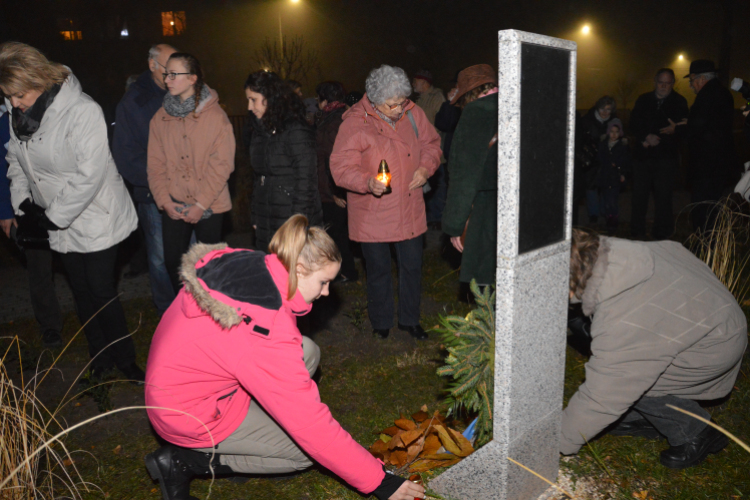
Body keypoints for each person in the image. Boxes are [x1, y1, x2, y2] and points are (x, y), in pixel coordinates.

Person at [144, 215, 426, 500]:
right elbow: (311, 426)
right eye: (324, 282)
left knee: (307, 352)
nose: (327, 292)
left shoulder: (251, 266)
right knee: (301, 453)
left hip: (178, 381)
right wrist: (379, 482)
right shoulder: (263, 330)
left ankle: (245, 435)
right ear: (300, 269)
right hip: (190, 413)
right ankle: (181, 462)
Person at [1, 42, 143, 381]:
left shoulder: (82, 110)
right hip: (55, 218)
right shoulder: (17, 114)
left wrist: (50, 218)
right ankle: (100, 358)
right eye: (8, 96)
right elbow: (16, 162)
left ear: (36, 78)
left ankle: (126, 360)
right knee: (79, 289)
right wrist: (24, 207)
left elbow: (89, 175)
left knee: (100, 289)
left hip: (96, 214)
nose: (13, 103)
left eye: (18, 94)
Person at [561, 228, 746, 469]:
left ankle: (696, 431)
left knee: (627, 383)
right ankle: (646, 419)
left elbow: (605, 392)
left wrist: (557, 439)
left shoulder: (626, 318)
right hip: (712, 317)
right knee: (622, 366)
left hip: (711, 347)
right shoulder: (618, 253)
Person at [330, 65, 442, 340]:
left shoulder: (413, 113)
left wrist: (426, 168)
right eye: (391, 105)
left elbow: (432, 145)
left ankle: (410, 320)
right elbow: (341, 167)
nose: (397, 109)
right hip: (373, 213)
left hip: (408, 207)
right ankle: (381, 323)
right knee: (378, 270)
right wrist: (367, 182)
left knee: (412, 267)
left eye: (401, 102)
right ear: (375, 100)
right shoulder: (355, 122)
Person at [147, 52, 235, 293]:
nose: (168, 80)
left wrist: (201, 204)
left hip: (210, 204)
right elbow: (154, 165)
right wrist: (164, 201)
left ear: (193, 78)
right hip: (174, 203)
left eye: (174, 74)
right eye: (167, 74)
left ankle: (211, 319)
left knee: (209, 269)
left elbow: (222, 165)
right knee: (173, 265)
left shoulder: (216, 118)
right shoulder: (159, 119)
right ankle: (184, 317)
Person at [112, 44, 177, 314]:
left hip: (192, 193)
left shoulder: (185, 93)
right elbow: (126, 155)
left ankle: (198, 314)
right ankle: (168, 313)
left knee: (196, 254)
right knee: (160, 259)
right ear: (152, 66)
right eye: (168, 70)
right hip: (153, 197)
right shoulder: (134, 102)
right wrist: (160, 183)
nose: (174, 76)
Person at [1, 101, 64, 348]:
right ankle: (50, 327)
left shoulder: (50, 110)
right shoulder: (5, 121)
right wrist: (5, 210)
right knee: (38, 269)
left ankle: (92, 317)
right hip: (25, 207)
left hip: (61, 200)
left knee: (76, 264)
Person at [245, 70, 323, 251]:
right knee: (271, 275)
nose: (249, 107)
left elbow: (306, 181)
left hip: (291, 220)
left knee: (295, 276)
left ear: (270, 98)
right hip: (267, 219)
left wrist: (297, 223)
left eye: (253, 99)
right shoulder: (259, 132)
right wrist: (256, 217)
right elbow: (259, 178)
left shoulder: (295, 130)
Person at [441, 64, 498, 287]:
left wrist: (455, 225)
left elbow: (464, 176)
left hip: (486, 211)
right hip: (519, 209)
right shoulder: (517, 107)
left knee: (488, 282)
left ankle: (489, 322)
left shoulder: (476, 113)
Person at [629, 68, 689, 239]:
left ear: (673, 83)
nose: (663, 86)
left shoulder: (679, 102)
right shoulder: (643, 99)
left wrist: (671, 133)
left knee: (664, 198)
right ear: (655, 82)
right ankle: (637, 233)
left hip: (665, 158)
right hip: (642, 157)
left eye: (667, 83)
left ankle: (662, 234)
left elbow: (683, 131)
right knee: (639, 197)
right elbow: (633, 122)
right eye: (661, 82)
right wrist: (645, 137)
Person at [684, 59, 738, 234]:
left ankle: (703, 247)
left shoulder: (706, 97)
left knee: (703, 211)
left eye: (692, 81)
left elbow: (699, 128)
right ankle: (710, 245)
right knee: (712, 209)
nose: (692, 86)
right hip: (719, 165)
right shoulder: (723, 94)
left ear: (699, 78)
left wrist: (685, 127)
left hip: (705, 167)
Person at [314, 80, 358, 282]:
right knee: (337, 233)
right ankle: (346, 271)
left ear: (325, 100)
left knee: (337, 234)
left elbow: (334, 159)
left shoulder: (333, 122)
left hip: (333, 190)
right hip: (331, 188)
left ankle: (347, 272)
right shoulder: (335, 118)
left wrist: (335, 191)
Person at [412, 69, 448, 227]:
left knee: (437, 184)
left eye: (416, 81)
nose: (413, 84)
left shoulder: (437, 98)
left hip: (434, 150)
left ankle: (438, 218)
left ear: (424, 82)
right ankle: (430, 216)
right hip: (420, 150)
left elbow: (439, 124)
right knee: (426, 184)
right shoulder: (419, 100)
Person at [575, 96, 617, 226]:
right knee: (591, 187)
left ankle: (606, 213)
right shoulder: (586, 121)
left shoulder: (615, 122)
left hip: (607, 159)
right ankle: (593, 214)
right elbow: (579, 140)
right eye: (602, 109)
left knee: (607, 187)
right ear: (597, 108)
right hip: (590, 160)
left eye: (608, 109)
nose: (604, 112)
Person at [596, 118, 631, 236]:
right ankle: (608, 219)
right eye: (612, 131)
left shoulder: (622, 146)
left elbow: (626, 162)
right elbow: (600, 158)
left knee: (612, 201)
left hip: (615, 178)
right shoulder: (603, 144)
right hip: (605, 177)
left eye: (617, 131)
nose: (614, 134)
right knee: (605, 201)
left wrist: (622, 173)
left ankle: (612, 224)